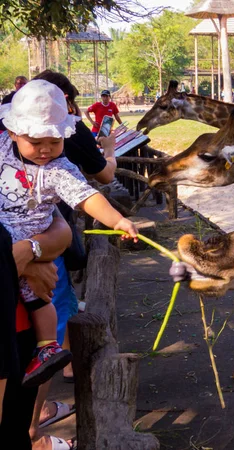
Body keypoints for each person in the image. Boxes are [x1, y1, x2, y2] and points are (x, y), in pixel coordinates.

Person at [0, 80, 138, 390]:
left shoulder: (60, 168)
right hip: (6, 248)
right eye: (36, 141)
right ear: (13, 132)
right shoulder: (0, 150)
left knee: (40, 298)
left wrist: (117, 221)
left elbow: (87, 197)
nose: (46, 149)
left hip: (32, 244)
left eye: (54, 140)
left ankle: (48, 346)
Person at [1, 214, 73, 450]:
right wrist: (17, 263)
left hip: (21, 331)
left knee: (14, 428)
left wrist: (32, 250)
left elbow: (61, 229)